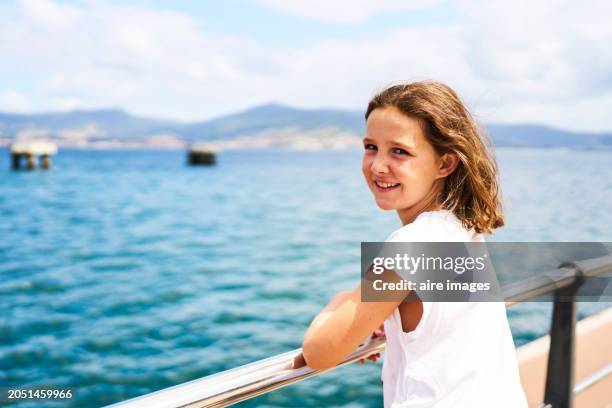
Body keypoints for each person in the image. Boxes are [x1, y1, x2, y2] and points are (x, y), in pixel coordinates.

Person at [301, 81, 527, 407]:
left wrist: (341, 300)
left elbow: (320, 352)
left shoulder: (412, 244)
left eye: (399, 151)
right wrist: (382, 310)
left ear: (445, 164)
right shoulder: (460, 231)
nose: (378, 165)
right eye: (370, 147)